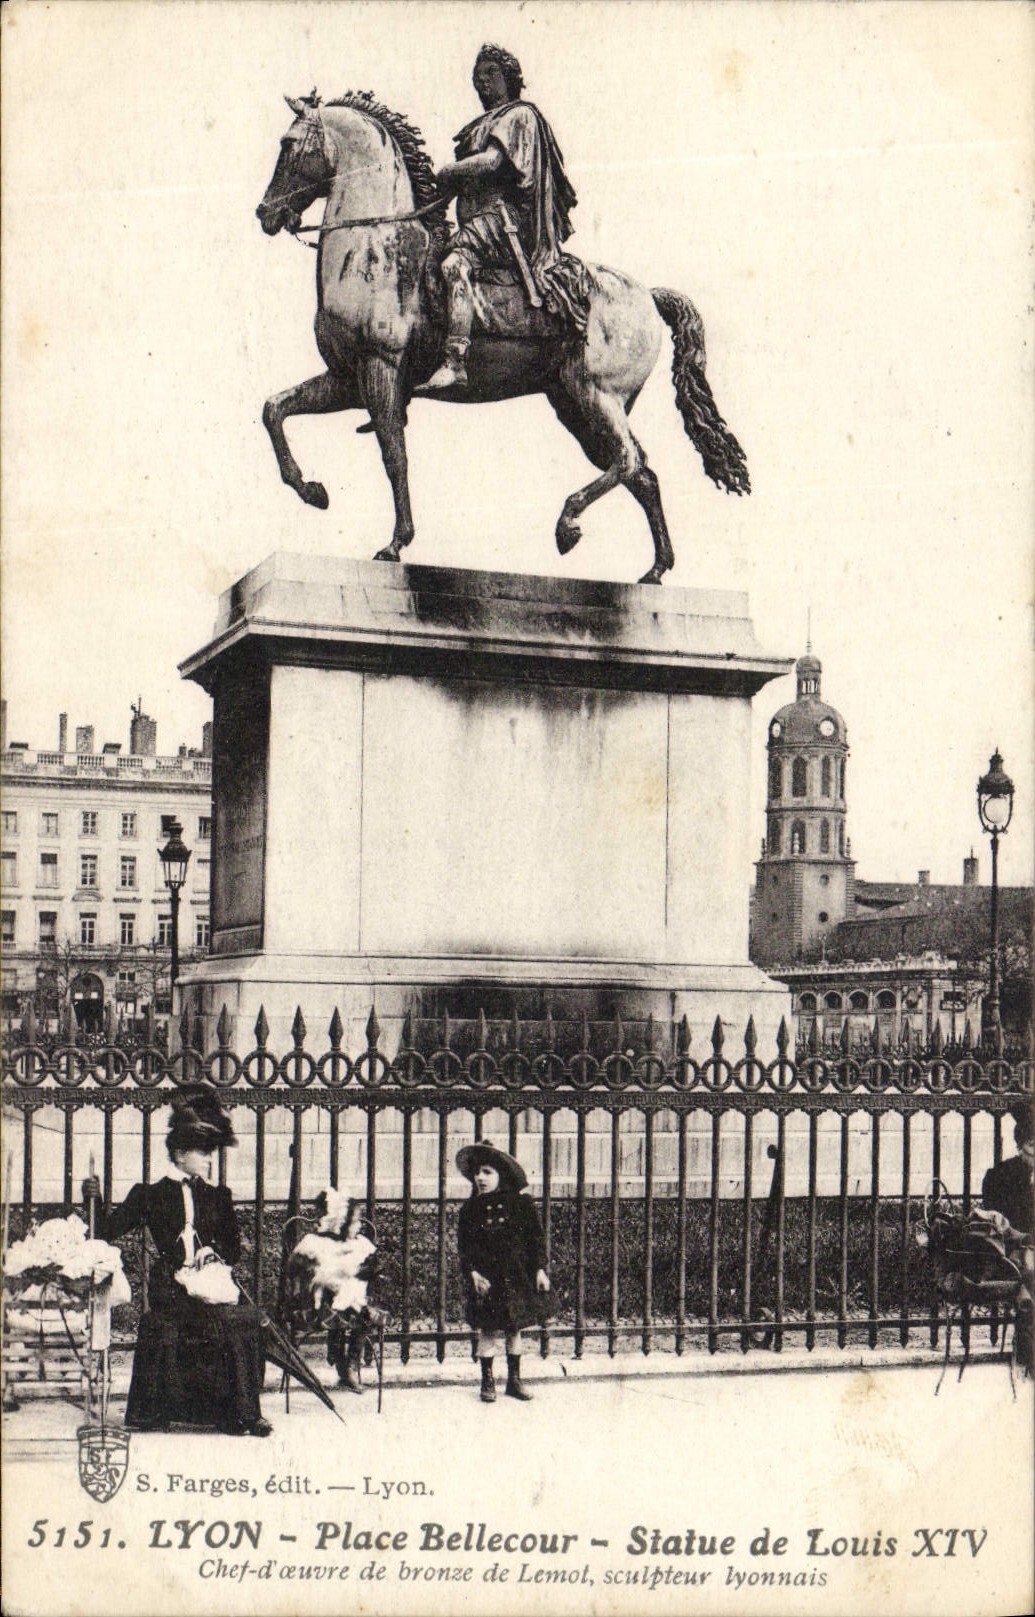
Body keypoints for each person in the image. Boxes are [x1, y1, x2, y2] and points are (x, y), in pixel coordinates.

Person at [82, 1088, 271, 1436]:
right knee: (189, 1323)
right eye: (203, 1153)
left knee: (238, 1321)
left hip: (210, 1282)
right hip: (171, 1286)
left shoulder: (218, 1196)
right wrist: (92, 1199)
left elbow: (233, 1248)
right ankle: (170, 1413)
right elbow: (107, 1230)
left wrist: (213, 1253)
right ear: (181, 1154)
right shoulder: (150, 1195)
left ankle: (240, 1414)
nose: (209, 1160)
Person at [416, 43, 586, 392]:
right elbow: (458, 184)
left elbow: (494, 162)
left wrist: (449, 170)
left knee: (453, 267)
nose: (482, 82)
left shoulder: (519, 115)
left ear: (509, 77)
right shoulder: (478, 125)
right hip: (476, 223)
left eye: (490, 74)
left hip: (502, 223)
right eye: (477, 77)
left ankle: (456, 362)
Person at [456, 1140, 550, 1403]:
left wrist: (540, 1269)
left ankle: (514, 1380)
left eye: (487, 1172)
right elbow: (465, 1247)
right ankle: (487, 1382)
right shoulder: (470, 1209)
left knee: (514, 1328)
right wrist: (472, 1273)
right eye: (477, 1173)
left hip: (516, 1274)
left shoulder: (521, 1205)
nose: (480, 1178)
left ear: (501, 1174)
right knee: (487, 1329)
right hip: (486, 1278)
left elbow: (536, 1239)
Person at [284, 1188, 381, 1395]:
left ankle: (350, 1365)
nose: (359, 1225)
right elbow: (295, 1270)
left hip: (350, 1302)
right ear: (339, 1222)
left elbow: (373, 1269)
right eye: (354, 1221)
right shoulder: (316, 1243)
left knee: (364, 1314)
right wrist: (321, 1272)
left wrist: (358, 1270)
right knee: (347, 1314)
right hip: (317, 1305)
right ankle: (343, 1367)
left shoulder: (359, 1244)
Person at [981, 1102, 1034, 1371]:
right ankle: (1028, 1351)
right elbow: (994, 1224)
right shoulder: (999, 1176)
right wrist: (1023, 1242)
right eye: (1032, 1147)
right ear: (1021, 1144)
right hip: (1012, 1252)